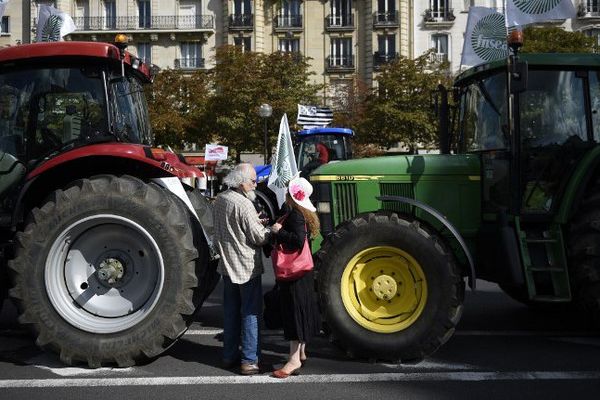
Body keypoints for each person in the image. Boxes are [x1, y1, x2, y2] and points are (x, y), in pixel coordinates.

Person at [213, 163, 273, 375]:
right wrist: (270, 229)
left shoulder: (220, 200)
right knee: (250, 313)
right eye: (252, 181)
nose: (255, 185)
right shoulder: (245, 204)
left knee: (230, 312)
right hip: (246, 267)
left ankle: (229, 356)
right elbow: (258, 237)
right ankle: (249, 360)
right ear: (240, 182)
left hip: (227, 265)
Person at [270, 176, 321, 379]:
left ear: (291, 195)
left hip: (293, 273)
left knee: (293, 313)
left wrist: (278, 231)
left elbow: (297, 241)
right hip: (303, 271)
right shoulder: (304, 213)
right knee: (301, 309)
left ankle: (293, 360)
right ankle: (300, 352)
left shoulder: (294, 215)